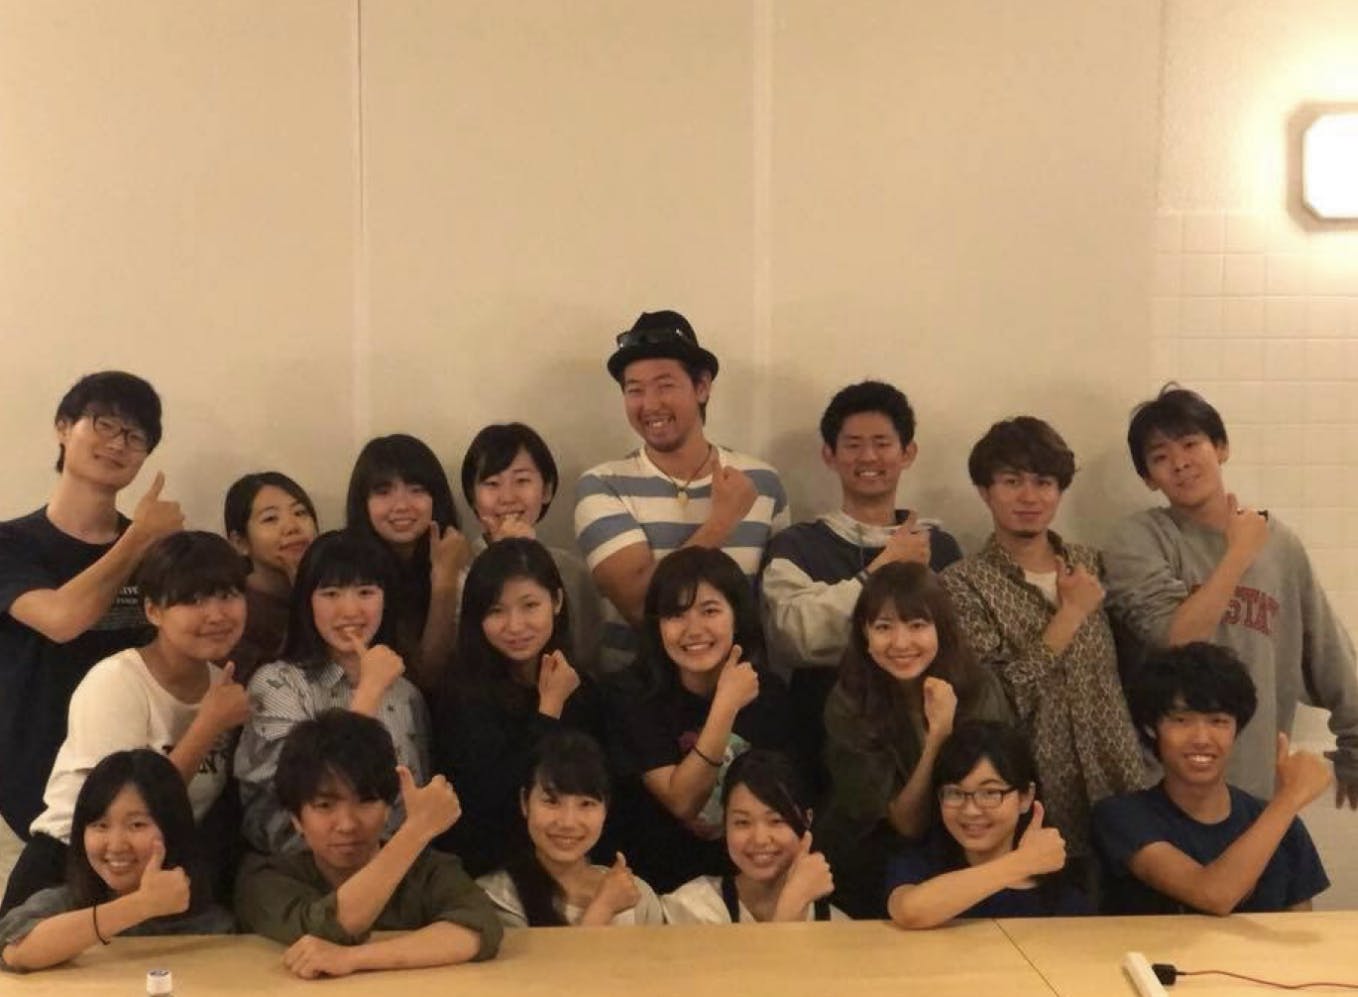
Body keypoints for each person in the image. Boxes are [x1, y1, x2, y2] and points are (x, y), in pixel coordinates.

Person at [1104, 384, 1358, 804]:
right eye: (1161, 457)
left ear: (1221, 448)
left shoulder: (1279, 543)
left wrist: (1354, 744)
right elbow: (1176, 639)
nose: (1180, 464)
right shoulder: (1139, 539)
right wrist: (1238, 553)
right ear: (1148, 478)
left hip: (1257, 782)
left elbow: (1329, 650)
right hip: (1165, 791)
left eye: (1191, 444)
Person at [3, 531, 249, 913]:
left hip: (156, 874)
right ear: (153, 611)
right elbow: (127, 807)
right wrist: (208, 725)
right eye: (193, 600)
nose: (216, 615)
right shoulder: (117, 681)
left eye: (228, 595)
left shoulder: (225, 689)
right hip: (72, 868)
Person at [0, 372, 181, 876]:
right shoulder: (11, 544)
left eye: (135, 435)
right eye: (104, 424)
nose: (118, 443)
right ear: (63, 427)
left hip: (129, 809)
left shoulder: (155, 551)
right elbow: (62, 620)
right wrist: (137, 539)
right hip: (22, 793)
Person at [940, 416, 1145, 862]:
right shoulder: (961, 584)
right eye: (1012, 481)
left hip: (1121, 779)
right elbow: (997, 699)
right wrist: (1070, 615)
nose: (1029, 497)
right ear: (985, 490)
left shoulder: (1094, 565)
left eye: (1043, 482)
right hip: (1033, 794)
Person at [761, 381, 963, 794]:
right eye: (853, 445)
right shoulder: (798, 545)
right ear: (829, 455)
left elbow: (955, 643)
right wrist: (883, 568)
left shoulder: (940, 547)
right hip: (819, 742)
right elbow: (792, 636)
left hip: (925, 740)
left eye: (882, 443)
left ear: (908, 453)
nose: (868, 457)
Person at [575, 310, 789, 673]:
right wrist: (721, 523)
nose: (650, 404)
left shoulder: (762, 482)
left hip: (740, 686)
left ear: (702, 386)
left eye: (665, 385)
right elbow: (640, 608)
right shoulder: (603, 485)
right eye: (635, 390)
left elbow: (769, 611)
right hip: (636, 691)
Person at [235, 710, 502, 978]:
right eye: (325, 805)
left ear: (388, 808)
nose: (347, 824)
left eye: (366, 801)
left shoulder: (427, 870)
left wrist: (353, 959)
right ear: (296, 819)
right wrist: (415, 831)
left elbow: (479, 926)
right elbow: (323, 930)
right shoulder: (267, 878)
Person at [817, 563, 1013, 918]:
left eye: (917, 625)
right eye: (884, 627)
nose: (901, 643)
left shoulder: (979, 687)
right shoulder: (849, 701)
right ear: (864, 634)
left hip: (966, 845)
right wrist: (939, 735)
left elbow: (995, 790)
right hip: (871, 860)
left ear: (942, 629)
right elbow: (906, 824)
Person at [1093, 642, 1331, 915]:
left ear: (1236, 730)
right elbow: (1214, 895)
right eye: (1181, 720)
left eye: (1218, 721)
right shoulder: (1122, 816)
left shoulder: (1280, 823)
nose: (1202, 739)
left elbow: (1300, 925)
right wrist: (1289, 797)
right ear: (1151, 728)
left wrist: (1286, 806)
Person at [605, 546, 792, 893]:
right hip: (651, 886)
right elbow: (682, 801)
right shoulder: (630, 693)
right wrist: (725, 706)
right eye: (676, 615)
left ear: (737, 616)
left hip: (747, 885)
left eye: (710, 611)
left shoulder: (770, 694)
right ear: (657, 625)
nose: (694, 629)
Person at [235, 530, 431, 855]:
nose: (350, 610)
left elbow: (414, 802)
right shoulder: (277, 684)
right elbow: (302, 799)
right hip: (302, 866)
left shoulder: (405, 693)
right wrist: (369, 692)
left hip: (398, 860)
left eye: (366, 592)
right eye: (331, 593)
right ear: (307, 602)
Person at [434, 538, 607, 876]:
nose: (515, 626)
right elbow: (496, 799)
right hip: (487, 869)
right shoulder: (459, 692)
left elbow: (595, 791)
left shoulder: (582, 688)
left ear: (556, 601)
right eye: (496, 611)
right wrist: (549, 710)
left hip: (570, 863)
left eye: (529, 606)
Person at [0, 750, 232, 973]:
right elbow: (16, 952)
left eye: (137, 825)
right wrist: (141, 905)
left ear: (172, 829)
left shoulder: (208, 925)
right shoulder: (63, 903)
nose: (116, 845)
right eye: (101, 825)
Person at [886, 722, 1090, 928]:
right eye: (955, 793)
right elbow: (909, 911)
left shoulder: (1061, 892)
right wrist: (1023, 862)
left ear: (1025, 797)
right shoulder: (920, 861)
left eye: (990, 793)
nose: (970, 810)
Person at [477, 729, 662, 927]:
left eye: (586, 804)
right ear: (525, 802)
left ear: (606, 809)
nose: (568, 822)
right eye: (551, 801)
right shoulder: (494, 898)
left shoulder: (634, 894)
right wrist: (603, 908)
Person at [460, 422, 601, 675]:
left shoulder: (572, 571)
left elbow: (586, 654)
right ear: (472, 496)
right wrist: (504, 558)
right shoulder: (457, 569)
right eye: (492, 483)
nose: (507, 497)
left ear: (546, 490)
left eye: (522, 480)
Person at [346, 434, 470, 692]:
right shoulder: (351, 572)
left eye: (417, 490)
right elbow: (423, 681)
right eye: (383, 492)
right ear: (363, 503)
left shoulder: (457, 555)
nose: (402, 505)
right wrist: (444, 582)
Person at [662, 749, 843, 923]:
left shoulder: (838, 926)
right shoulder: (693, 909)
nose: (760, 839)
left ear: (807, 820)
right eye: (743, 822)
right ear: (725, 822)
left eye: (776, 820)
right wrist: (791, 907)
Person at [223, 471, 319, 687]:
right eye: (270, 519)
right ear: (240, 542)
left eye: (300, 512)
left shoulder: (332, 589)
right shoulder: (234, 612)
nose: (292, 527)